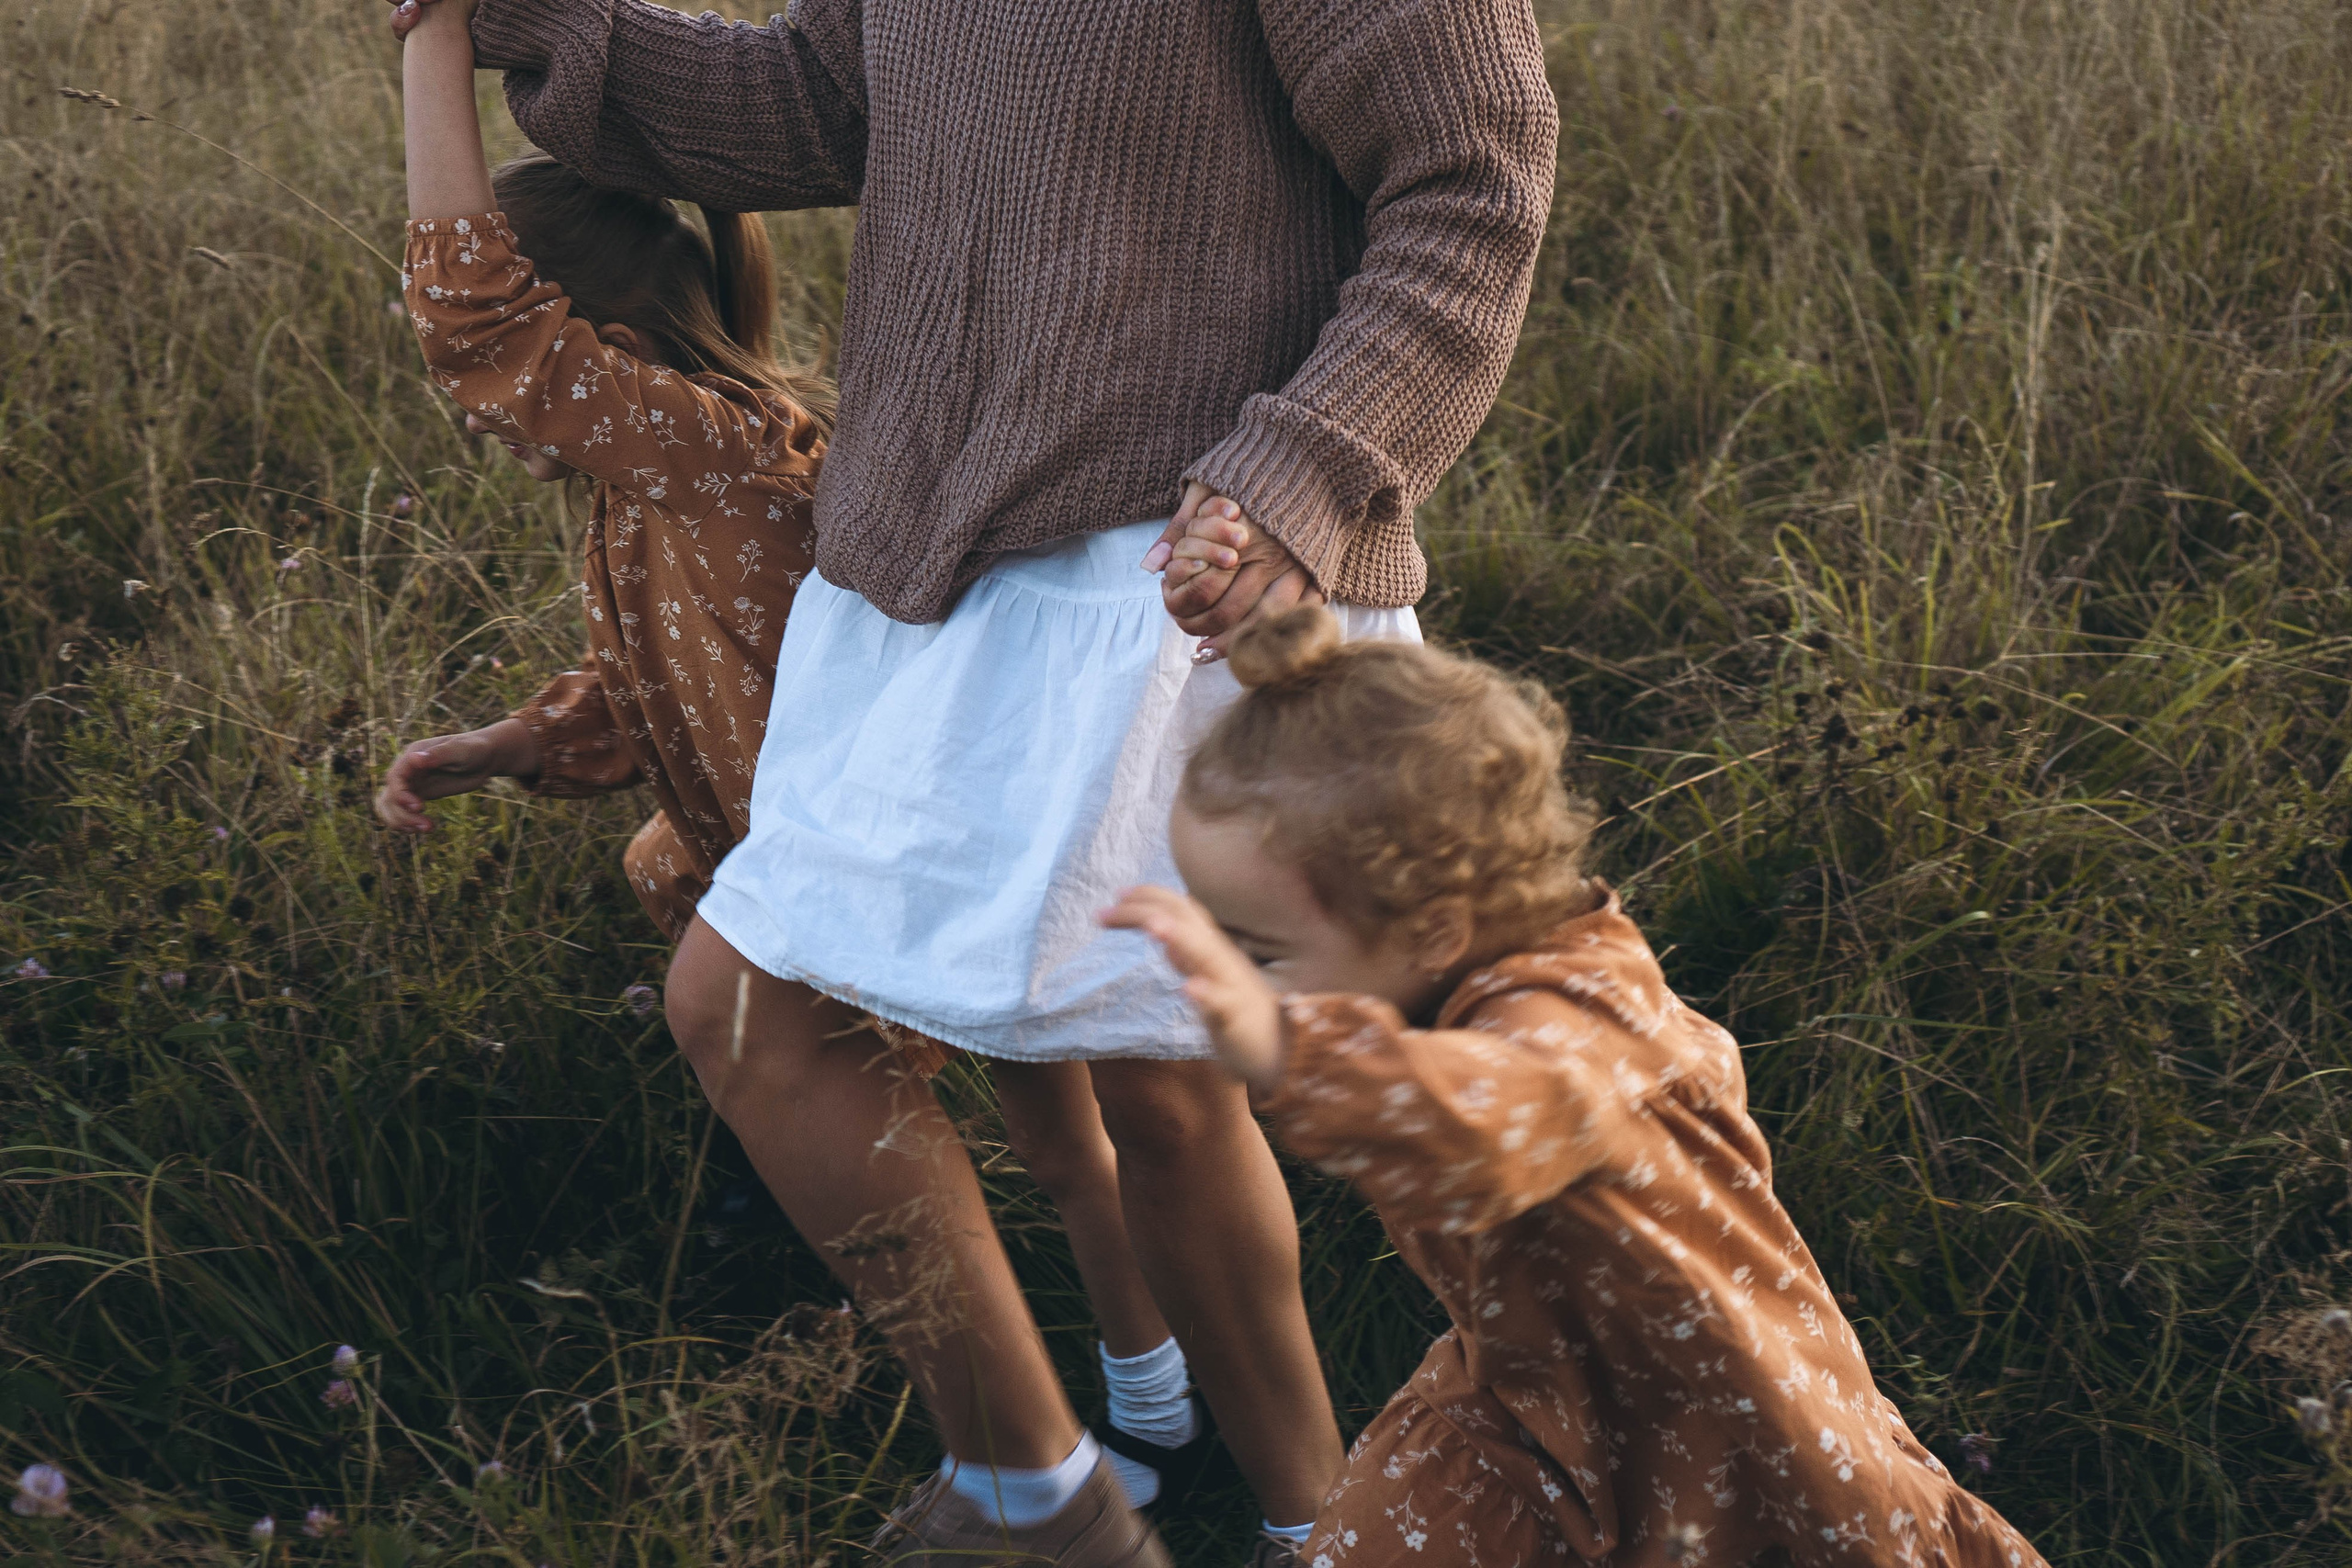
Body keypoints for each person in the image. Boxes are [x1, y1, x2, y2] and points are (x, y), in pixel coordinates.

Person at [381, 0, 1559, 1561]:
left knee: (1165, 1091)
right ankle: (1043, 1489)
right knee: (747, 1005)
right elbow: (818, 95)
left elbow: (1474, 175)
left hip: (1175, 550)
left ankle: (1305, 1529)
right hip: (927, 547)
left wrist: (1303, 476)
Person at [375, 6, 1208, 1539]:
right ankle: (1128, 1406)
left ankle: (1137, 1413)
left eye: (532, 398)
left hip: (908, 856)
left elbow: (475, 326)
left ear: (615, 359)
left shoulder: (709, 455)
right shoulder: (668, 485)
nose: (494, 425)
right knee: (1052, 1131)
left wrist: (432, 40)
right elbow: (686, 666)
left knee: (1066, 1133)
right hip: (850, 857)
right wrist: (522, 742)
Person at [1106, 606, 2052, 1568]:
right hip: (1537, 1390)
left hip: (1709, 1424)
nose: (1234, 978)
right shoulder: (1491, 975)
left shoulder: (1570, 1031)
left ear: (1432, 931)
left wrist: (1285, 1046)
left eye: (1262, 952)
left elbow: (1493, 1115)